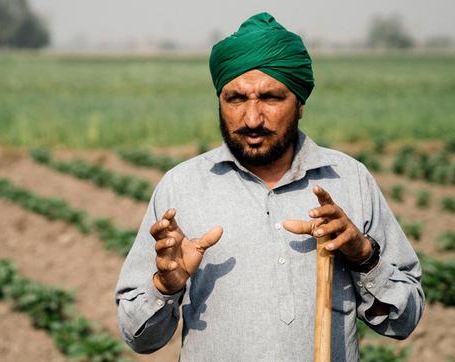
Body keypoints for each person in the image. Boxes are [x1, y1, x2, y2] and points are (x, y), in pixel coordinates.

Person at [114, 12, 424, 361]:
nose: (252, 119)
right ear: (219, 101)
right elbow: (137, 337)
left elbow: (404, 320)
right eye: (236, 99)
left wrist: (364, 257)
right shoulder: (181, 187)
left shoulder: (349, 181)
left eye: (271, 98)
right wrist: (165, 287)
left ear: (300, 104)